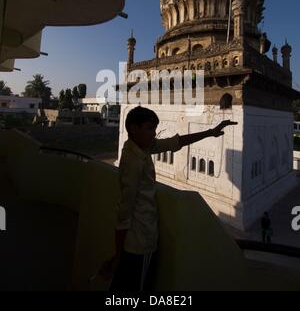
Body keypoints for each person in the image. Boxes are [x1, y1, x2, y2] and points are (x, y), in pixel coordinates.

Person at [100, 106, 238, 291]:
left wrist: (210, 132)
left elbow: (175, 142)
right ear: (133, 128)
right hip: (141, 243)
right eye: (149, 128)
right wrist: (117, 256)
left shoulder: (138, 148)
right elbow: (124, 213)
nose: (154, 133)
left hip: (134, 243)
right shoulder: (133, 162)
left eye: (154, 129)